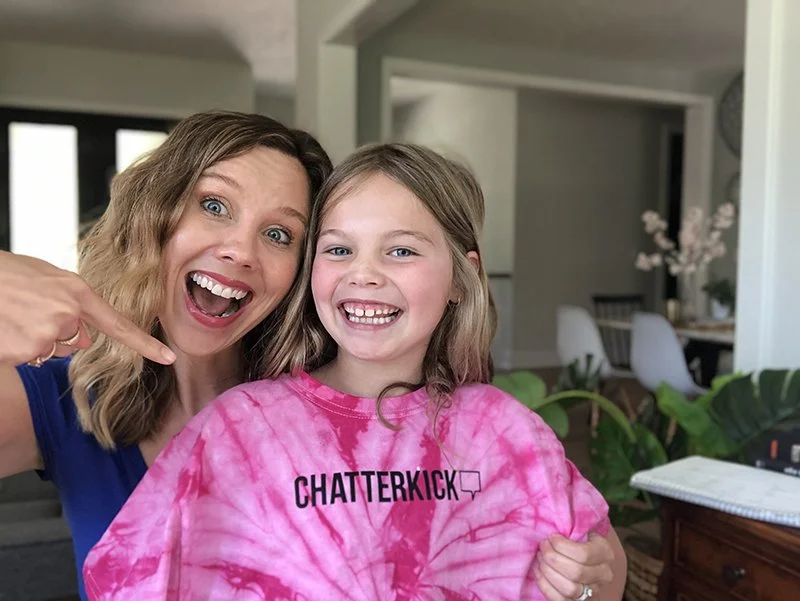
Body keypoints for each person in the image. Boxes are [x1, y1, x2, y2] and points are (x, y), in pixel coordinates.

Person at [82, 143, 626, 601]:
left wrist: (589, 581)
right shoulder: (239, 430)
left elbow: (603, 570)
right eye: (339, 249)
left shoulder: (503, 433)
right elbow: (122, 574)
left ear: (462, 278)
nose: (364, 274)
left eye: (402, 251)